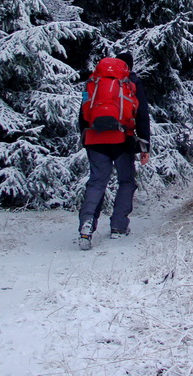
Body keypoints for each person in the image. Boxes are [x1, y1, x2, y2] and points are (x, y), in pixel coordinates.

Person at [77, 51, 150, 250]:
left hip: (94, 137)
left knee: (97, 182)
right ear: (129, 66)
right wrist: (145, 145)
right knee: (126, 181)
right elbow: (142, 114)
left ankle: (87, 225)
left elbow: (83, 112)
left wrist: (85, 137)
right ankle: (118, 226)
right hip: (121, 139)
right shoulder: (132, 81)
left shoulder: (95, 80)